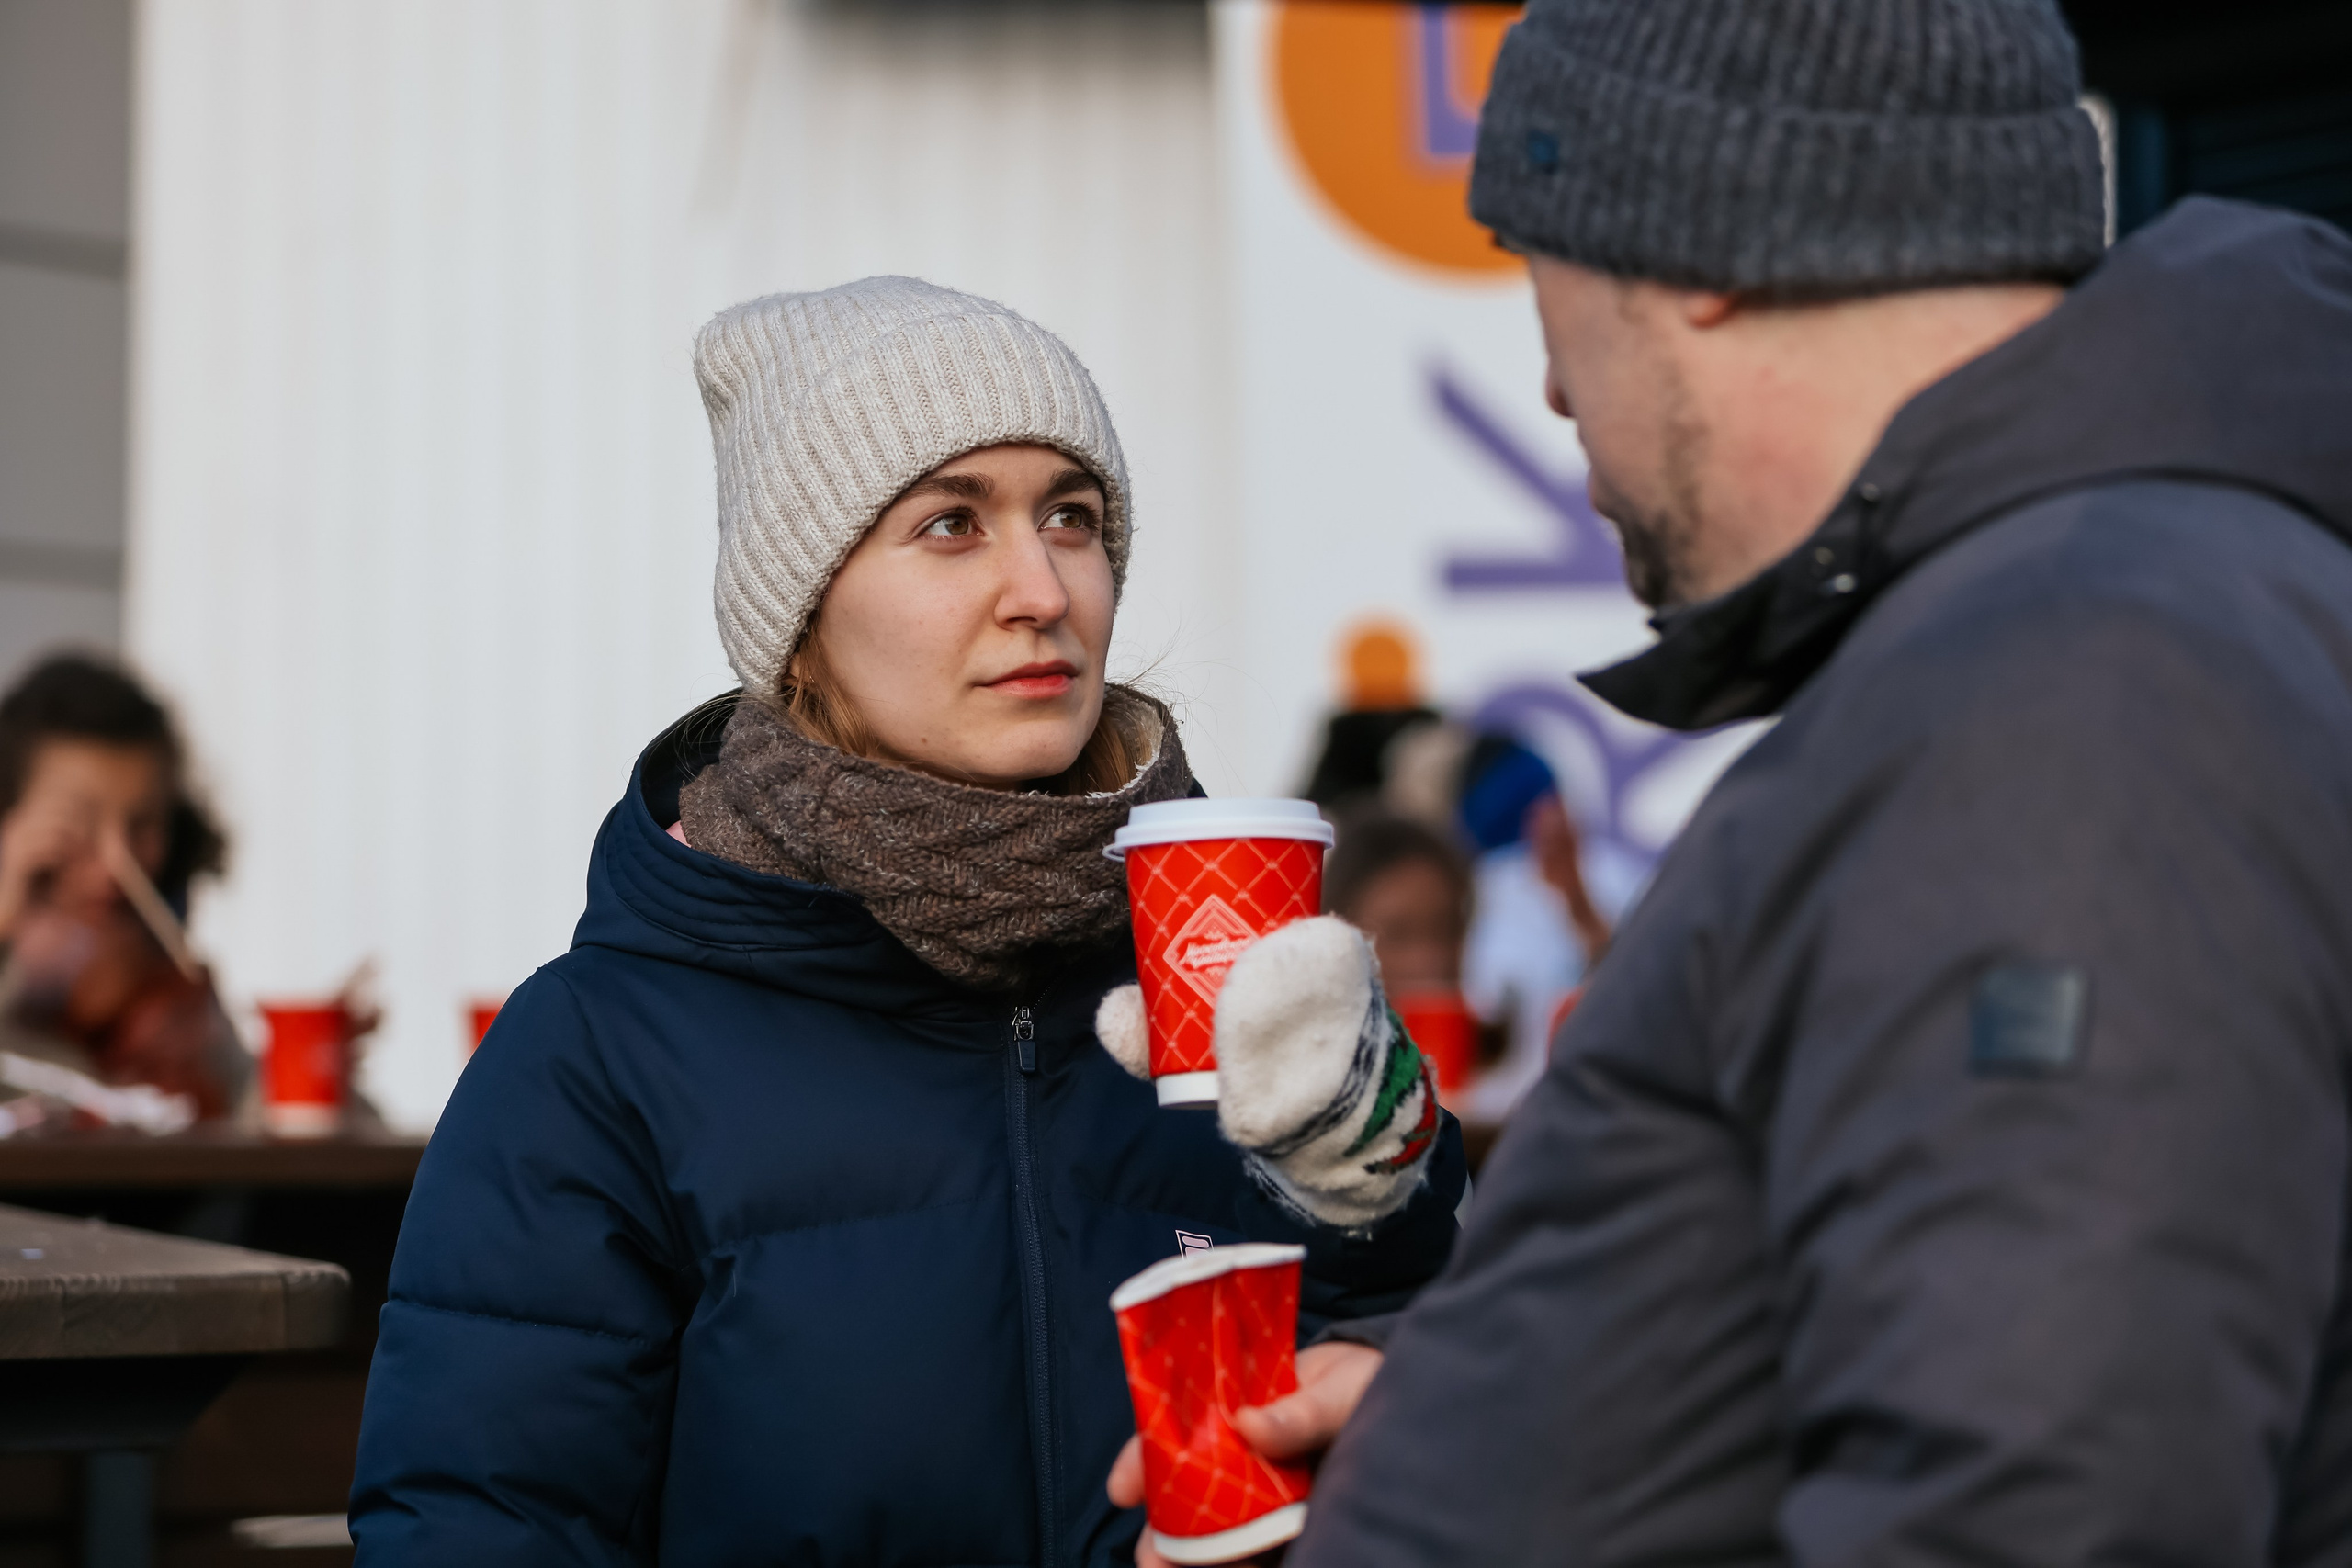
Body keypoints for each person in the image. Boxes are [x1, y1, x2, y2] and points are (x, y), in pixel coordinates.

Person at [1292, 0, 2352, 1562]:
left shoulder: (2064, 688)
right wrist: (1518, 1411)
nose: (1553, 388)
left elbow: (2037, 1501)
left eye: (1547, 270)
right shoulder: (2069, 620)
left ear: (1701, 242)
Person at [347, 278, 1464, 1566]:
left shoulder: (1239, 980)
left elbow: (1450, 1387)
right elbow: (481, 1525)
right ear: (802, 624)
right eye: (950, 522)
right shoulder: (596, 1054)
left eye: (1073, 516)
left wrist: (1386, 1180)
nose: (1042, 587)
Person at [0, 653, 246, 1123]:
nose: (118, 862)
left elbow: (242, 1104)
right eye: (78, 821)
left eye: (143, 823)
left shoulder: (163, 968)